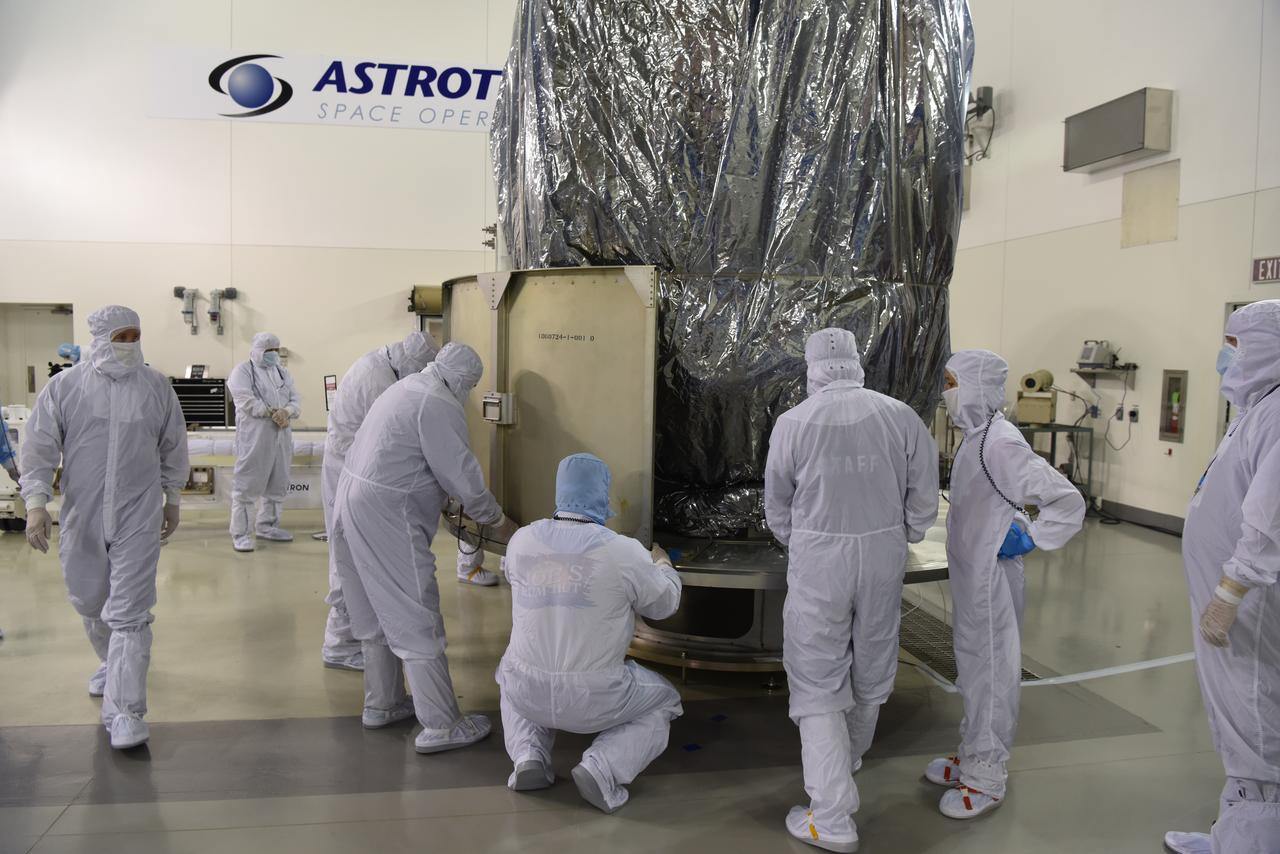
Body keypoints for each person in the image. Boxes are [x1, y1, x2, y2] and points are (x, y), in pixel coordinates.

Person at [765, 328, 940, 853]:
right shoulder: (898, 414)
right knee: (874, 659)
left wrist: (808, 541)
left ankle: (831, 815)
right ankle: (849, 756)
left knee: (816, 676)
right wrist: (903, 532)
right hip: (884, 554)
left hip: (820, 559)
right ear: (857, 362)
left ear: (812, 365)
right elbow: (924, 493)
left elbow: (777, 503)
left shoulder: (794, 422)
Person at [330, 342, 518, 753]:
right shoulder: (438, 403)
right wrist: (498, 521)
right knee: (414, 611)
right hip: (386, 515)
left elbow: (413, 460)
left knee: (376, 612)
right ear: (464, 380)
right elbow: (463, 476)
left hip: (351, 501)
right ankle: (442, 723)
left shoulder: (408, 387)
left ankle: (383, 704)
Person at [20, 305, 189, 749]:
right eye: (121, 336)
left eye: (136, 335)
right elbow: (38, 448)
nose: (130, 344)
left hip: (139, 512)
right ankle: (109, 662)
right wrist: (37, 504)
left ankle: (127, 712)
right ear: (99, 338)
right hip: (83, 514)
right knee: (91, 601)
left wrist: (172, 498)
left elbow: (173, 444)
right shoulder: (66, 387)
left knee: (131, 612)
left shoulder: (156, 387)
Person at [926, 349, 1085, 819]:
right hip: (974, 575)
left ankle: (987, 778)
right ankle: (973, 754)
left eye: (953, 382)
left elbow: (1065, 499)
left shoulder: (1000, 442)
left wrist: (1030, 537)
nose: (947, 392)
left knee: (992, 673)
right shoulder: (977, 436)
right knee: (975, 669)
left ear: (976, 386)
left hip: (992, 578)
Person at [497, 453, 683, 814]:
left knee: (511, 671)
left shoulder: (521, 541)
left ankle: (527, 756)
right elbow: (664, 605)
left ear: (559, 491)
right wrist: (661, 563)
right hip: (595, 699)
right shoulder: (623, 551)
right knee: (665, 701)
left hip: (528, 694)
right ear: (603, 493)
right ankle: (603, 768)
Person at [1165, 301, 1280, 854]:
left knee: (1254, 718)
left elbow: (1268, 516)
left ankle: (1253, 844)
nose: (1224, 358)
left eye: (1235, 346)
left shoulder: (1279, 414)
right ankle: (1233, 833)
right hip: (1227, 597)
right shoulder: (1258, 410)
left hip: (1248, 604)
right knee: (1234, 718)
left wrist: (1231, 591)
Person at [320, 331, 442, 671]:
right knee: (347, 560)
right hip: (349, 472)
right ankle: (340, 644)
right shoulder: (378, 380)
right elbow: (391, 436)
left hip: (353, 470)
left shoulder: (381, 364)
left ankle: (353, 640)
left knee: (353, 558)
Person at [227, 333, 299, 552]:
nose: (274, 355)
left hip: (281, 435)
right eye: (269, 351)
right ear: (257, 351)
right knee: (247, 485)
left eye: (276, 351)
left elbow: (296, 399)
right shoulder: (243, 371)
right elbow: (244, 399)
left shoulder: (282, 372)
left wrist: (287, 411)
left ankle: (267, 526)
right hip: (255, 438)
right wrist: (269, 411)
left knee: (278, 483)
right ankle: (241, 534)